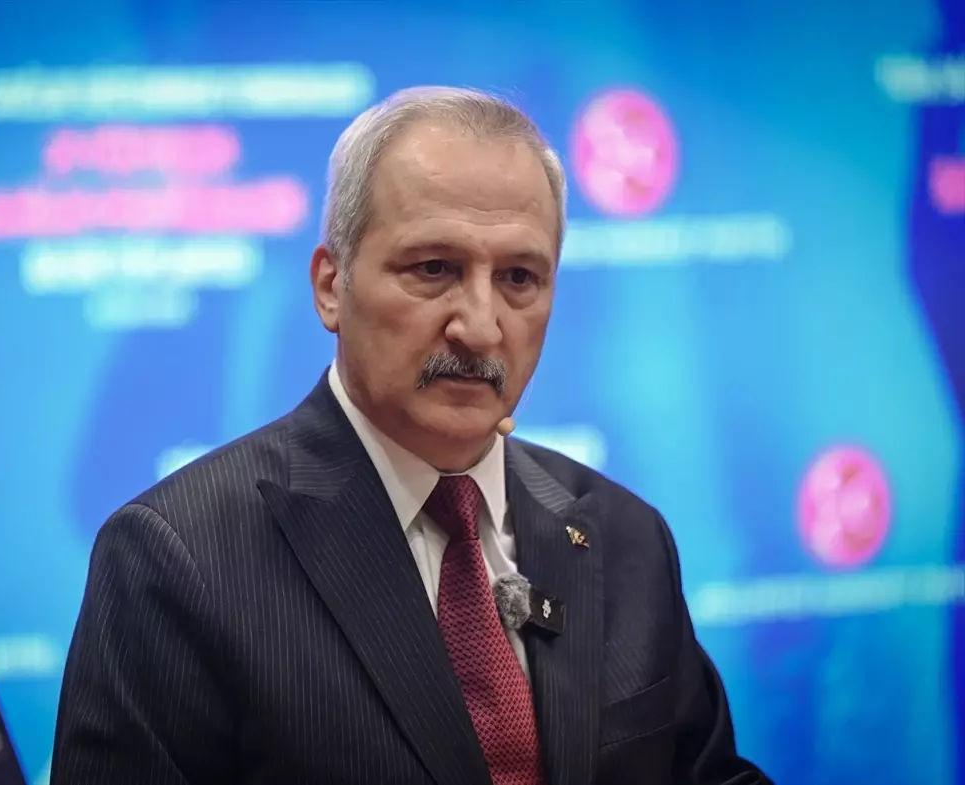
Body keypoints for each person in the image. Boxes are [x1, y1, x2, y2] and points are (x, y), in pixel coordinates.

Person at [51, 86, 772, 785]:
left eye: (519, 277)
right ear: (331, 286)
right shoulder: (176, 559)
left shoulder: (625, 537)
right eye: (435, 269)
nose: (480, 327)